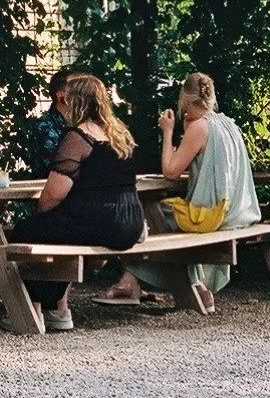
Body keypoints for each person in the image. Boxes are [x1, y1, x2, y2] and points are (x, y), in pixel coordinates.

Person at [98, 71, 261, 314]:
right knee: (160, 214)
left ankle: (193, 287)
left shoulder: (200, 126)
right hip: (238, 210)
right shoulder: (227, 124)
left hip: (213, 215)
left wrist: (167, 132)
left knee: (148, 216)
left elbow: (170, 171)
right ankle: (132, 282)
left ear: (185, 100)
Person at [9, 72, 144, 333]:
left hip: (100, 220)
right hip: (130, 222)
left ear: (77, 102)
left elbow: (53, 194)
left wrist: (41, 217)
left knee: (27, 231)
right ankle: (59, 310)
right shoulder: (119, 134)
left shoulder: (78, 137)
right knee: (56, 235)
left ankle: (34, 309)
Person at [28, 69, 73, 178]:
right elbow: (61, 168)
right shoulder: (44, 127)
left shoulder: (78, 122)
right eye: (77, 92)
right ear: (61, 96)